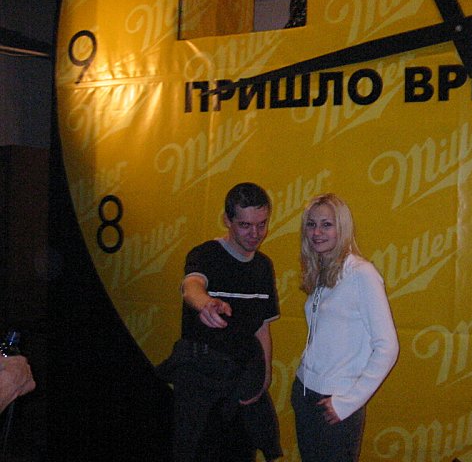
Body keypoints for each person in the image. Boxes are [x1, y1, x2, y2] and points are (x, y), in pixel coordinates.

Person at [157, 182, 282, 462]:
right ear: (227, 220)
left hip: (242, 377)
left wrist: (265, 376)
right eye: (245, 225)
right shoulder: (206, 254)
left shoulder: (263, 266)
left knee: (241, 451)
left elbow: (262, 326)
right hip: (199, 380)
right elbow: (191, 286)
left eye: (261, 225)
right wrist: (205, 303)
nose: (255, 234)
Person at [291, 193, 399, 461]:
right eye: (311, 224)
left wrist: (347, 402)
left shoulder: (361, 273)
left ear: (342, 228)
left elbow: (387, 347)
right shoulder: (322, 269)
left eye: (326, 225)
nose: (317, 232)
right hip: (306, 394)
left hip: (336, 403)